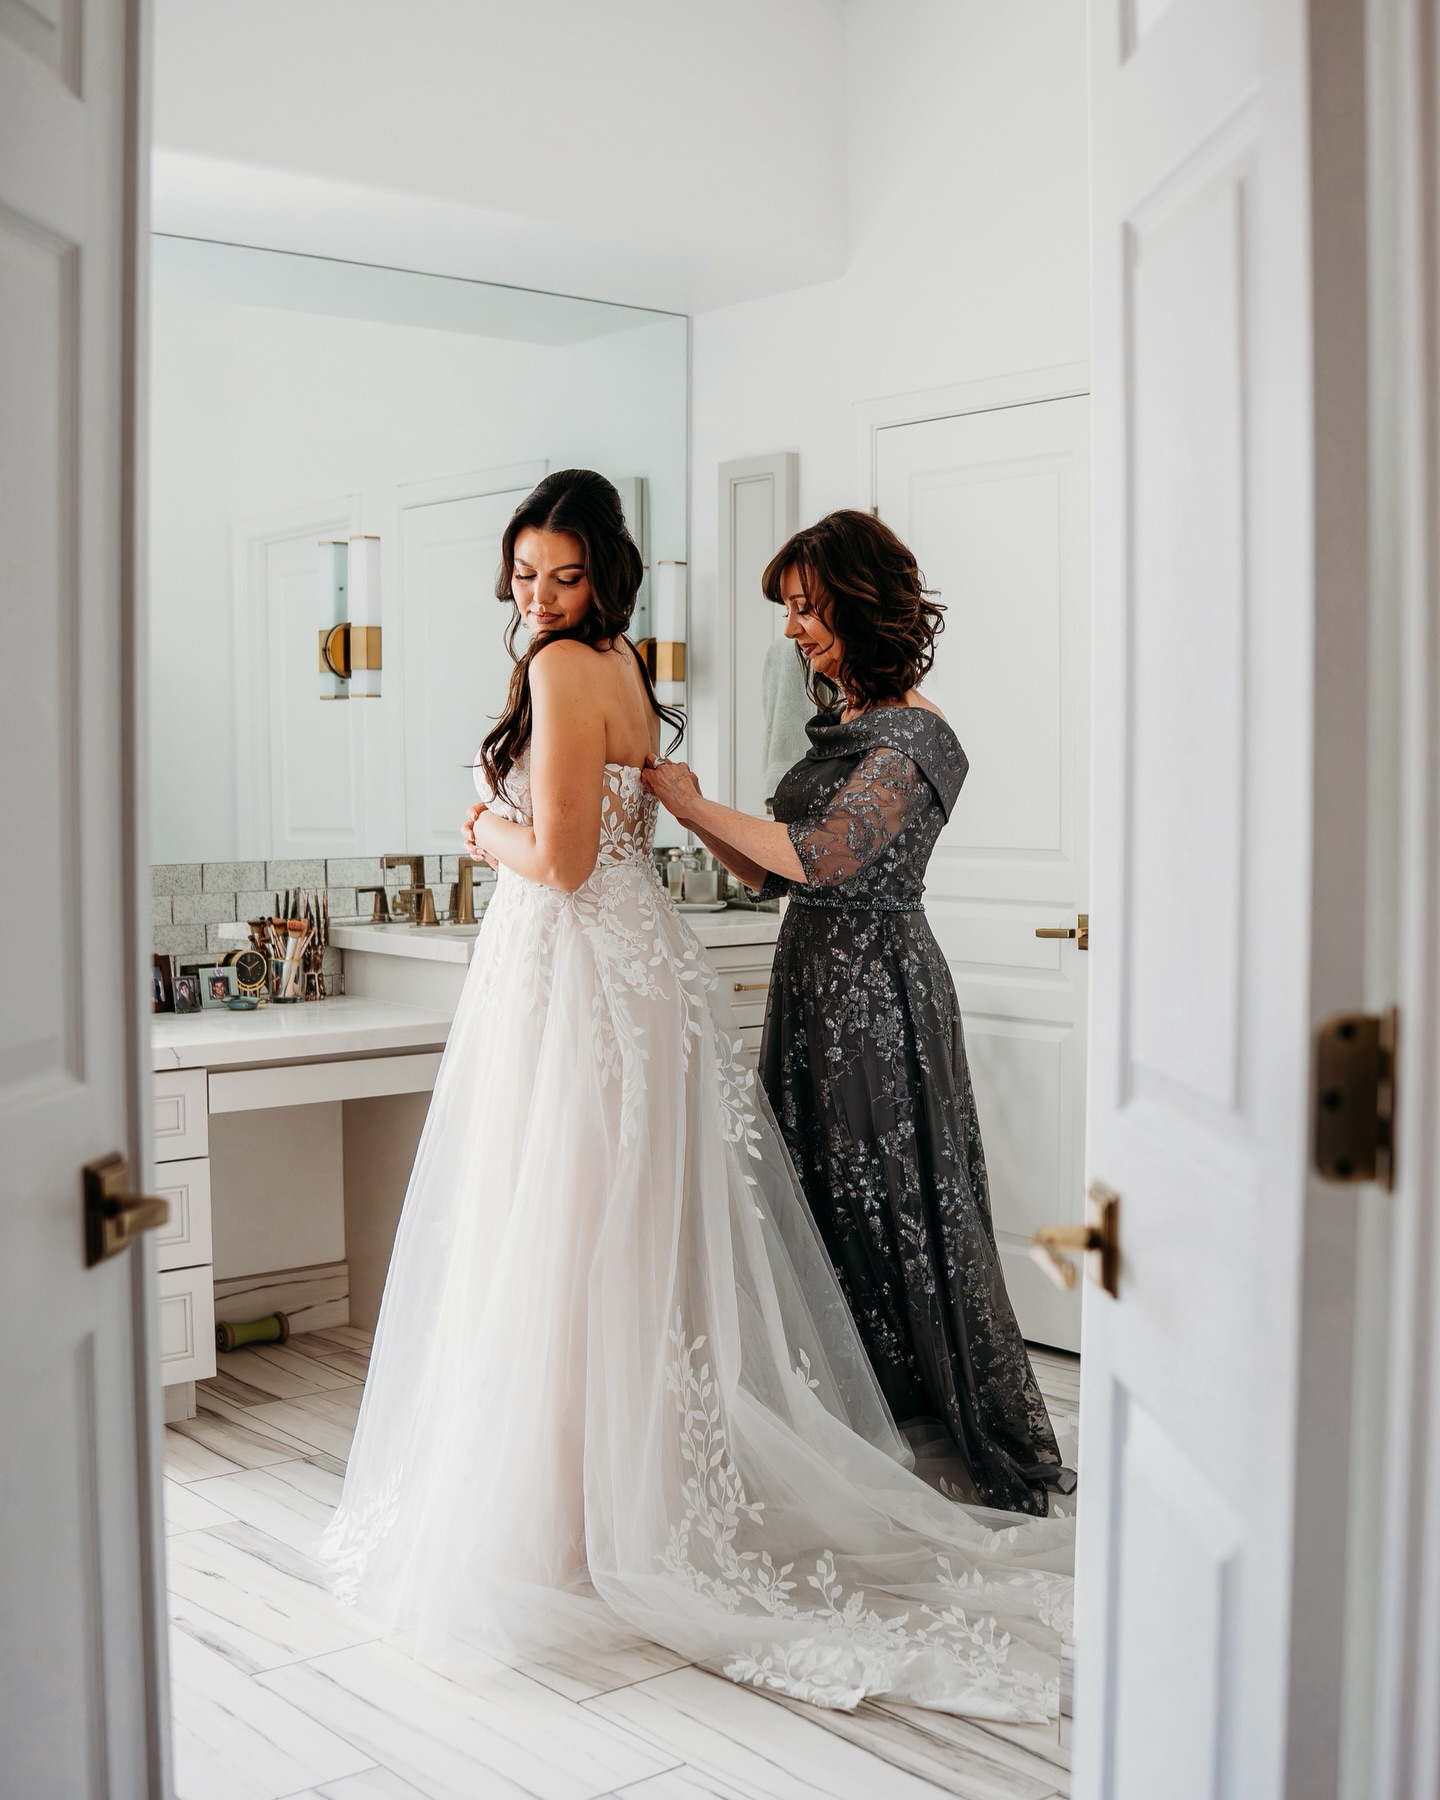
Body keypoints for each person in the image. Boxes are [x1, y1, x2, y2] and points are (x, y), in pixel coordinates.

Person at [320, 471, 1072, 1721]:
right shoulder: (636, 672)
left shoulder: (607, 679)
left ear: (599, 575)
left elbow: (585, 858)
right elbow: (720, 856)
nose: (538, 595)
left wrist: (479, 835)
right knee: (643, 1244)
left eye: (561, 575)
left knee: (595, 1235)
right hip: (686, 975)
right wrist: (679, 801)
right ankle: (648, 1479)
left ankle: (598, 1506)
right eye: (523, 576)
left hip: (779, 986)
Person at [643, 510, 1069, 1517]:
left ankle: (927, 1430)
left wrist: (696, 806)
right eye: (787, 611)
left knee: (892, 1201)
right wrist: (689, 805)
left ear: (858, 603)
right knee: (812, 1198)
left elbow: (832, 856)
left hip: (881, 999)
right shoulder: (839, 728)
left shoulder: (921, 736)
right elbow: (767, 873)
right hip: (811, 985)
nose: (792, 629)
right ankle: (837, 1417)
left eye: (805, 607)